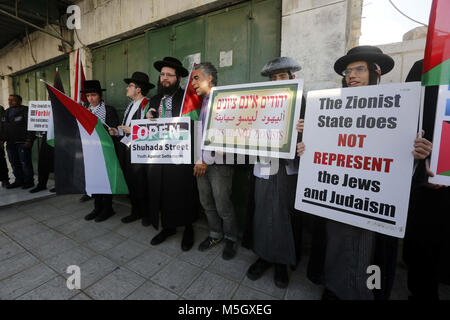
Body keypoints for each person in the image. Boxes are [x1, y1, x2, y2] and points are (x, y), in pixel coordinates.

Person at [305, 46, 433, 300]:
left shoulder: (402, 108)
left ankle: (367, 292)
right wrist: (304, 142)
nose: (351, 75)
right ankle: (333, 286)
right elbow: (320, 148)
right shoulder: (329, 108)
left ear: (376, 72)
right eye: (348, 70)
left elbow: (403, 157)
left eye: (359, 69)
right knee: (335, 243)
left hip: (373, 199)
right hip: (338, 194)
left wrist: (420, 153)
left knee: (371, 254)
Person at [242, 57, 305, 289]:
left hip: (287, 170)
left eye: (282, 76)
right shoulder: (258, 104)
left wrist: (304, 131)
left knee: (282, 215)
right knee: (262, 210)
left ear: (292, 78)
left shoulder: (302, 102)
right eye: (274, 78)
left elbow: (318, 134)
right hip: (264, 167)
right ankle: (263, 256)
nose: (278, 81)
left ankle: (281, 262)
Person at [402, 59, 450, 300]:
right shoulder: (428, 66)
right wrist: (422, 158)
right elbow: (405, 116)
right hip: (429, 179)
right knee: (424, 250)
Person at [144, 57, 198, 251]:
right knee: (162, 191)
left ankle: (188, 228)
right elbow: (146, 124)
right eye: (162, 75)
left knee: (183, 190)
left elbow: (193, 124)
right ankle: (168, 227)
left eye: (169, 75)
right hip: (158, 155)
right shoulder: (155, 99)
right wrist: (148, 116)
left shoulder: (187, 98)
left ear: (178, 78)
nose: (164, 78)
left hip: (180, 154)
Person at [192, 62, 239, 260]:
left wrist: (205, 159)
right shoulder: (202, 102)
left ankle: (231, 238)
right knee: (206, 201)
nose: (193, 83)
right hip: (201, 162)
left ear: (209, 78)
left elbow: (226, 134)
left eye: (196, 77)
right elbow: (200, 133)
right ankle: (215, 234)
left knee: (222, 204)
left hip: (219, 163)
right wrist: (198, 158)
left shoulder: (224, 100)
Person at [109, 71, 154, 225]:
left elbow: (152, 128)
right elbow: (126, 128)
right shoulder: (130, 106)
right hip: (127, 148)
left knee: (142, 183)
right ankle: (135, 211)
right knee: (131, 182)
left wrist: (132, 130)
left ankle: (147, 214)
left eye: (130, 86)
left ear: (138, 89)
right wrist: (117, 131)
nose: (127, 88)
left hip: (141, 150)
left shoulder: (148, 104)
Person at [81, 80, 120, 222]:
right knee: (94, 179)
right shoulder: (84, 110)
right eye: (88, 96)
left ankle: (108, 208)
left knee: (105, 180)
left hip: (105, 150)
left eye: (93, 95)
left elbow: (114, 129)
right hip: (90, 150)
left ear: (99, 95)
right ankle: (97, 207)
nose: (90, 98)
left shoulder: (109, 110)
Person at [1, 95, 35, 189]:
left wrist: (29, 139)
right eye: (9, 100)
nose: (10, 102)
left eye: (13, 100)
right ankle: (19, 180)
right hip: (10, 143)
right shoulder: (6, 112)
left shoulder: (26, 110)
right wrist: (2, 139)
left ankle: (29, 181)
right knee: (14, 163)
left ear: (19, 101)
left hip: (23, 142)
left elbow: (32, 126)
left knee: (25, 163)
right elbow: (4, 127)